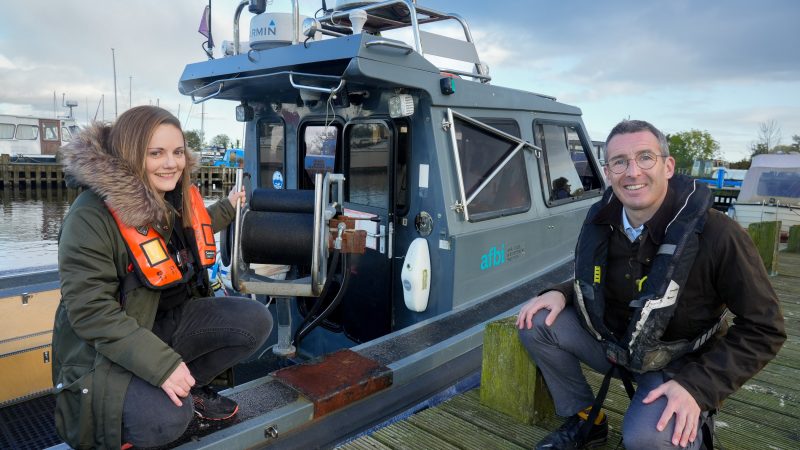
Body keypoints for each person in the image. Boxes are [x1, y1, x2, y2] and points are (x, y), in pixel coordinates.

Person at [517, 119, 785, 450]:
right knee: (537, 322)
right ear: (607, 171)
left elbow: (765, 328)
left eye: (645, 157)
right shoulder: (603, 223)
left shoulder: (721, 235)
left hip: (681, 363)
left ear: (668, 166)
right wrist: (562, 292)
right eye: (620, 162)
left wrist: (699, 386)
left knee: (648, 439)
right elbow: (603, 280)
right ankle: (588, 419)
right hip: (618, 348)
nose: (632, 172)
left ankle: (690, 421)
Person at [52, 106, 273, 449]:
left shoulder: (170, 197)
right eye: (156, 153)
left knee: (254, 320)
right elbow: (91, 312)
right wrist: (163, 366)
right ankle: (137, 421)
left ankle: (189, 389)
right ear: (129, 153)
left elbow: (195, 229)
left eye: (177, 152)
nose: (171, 163)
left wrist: (229, 207)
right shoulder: (89, 217)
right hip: (105, 352)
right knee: (165, 421)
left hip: (162, 325)